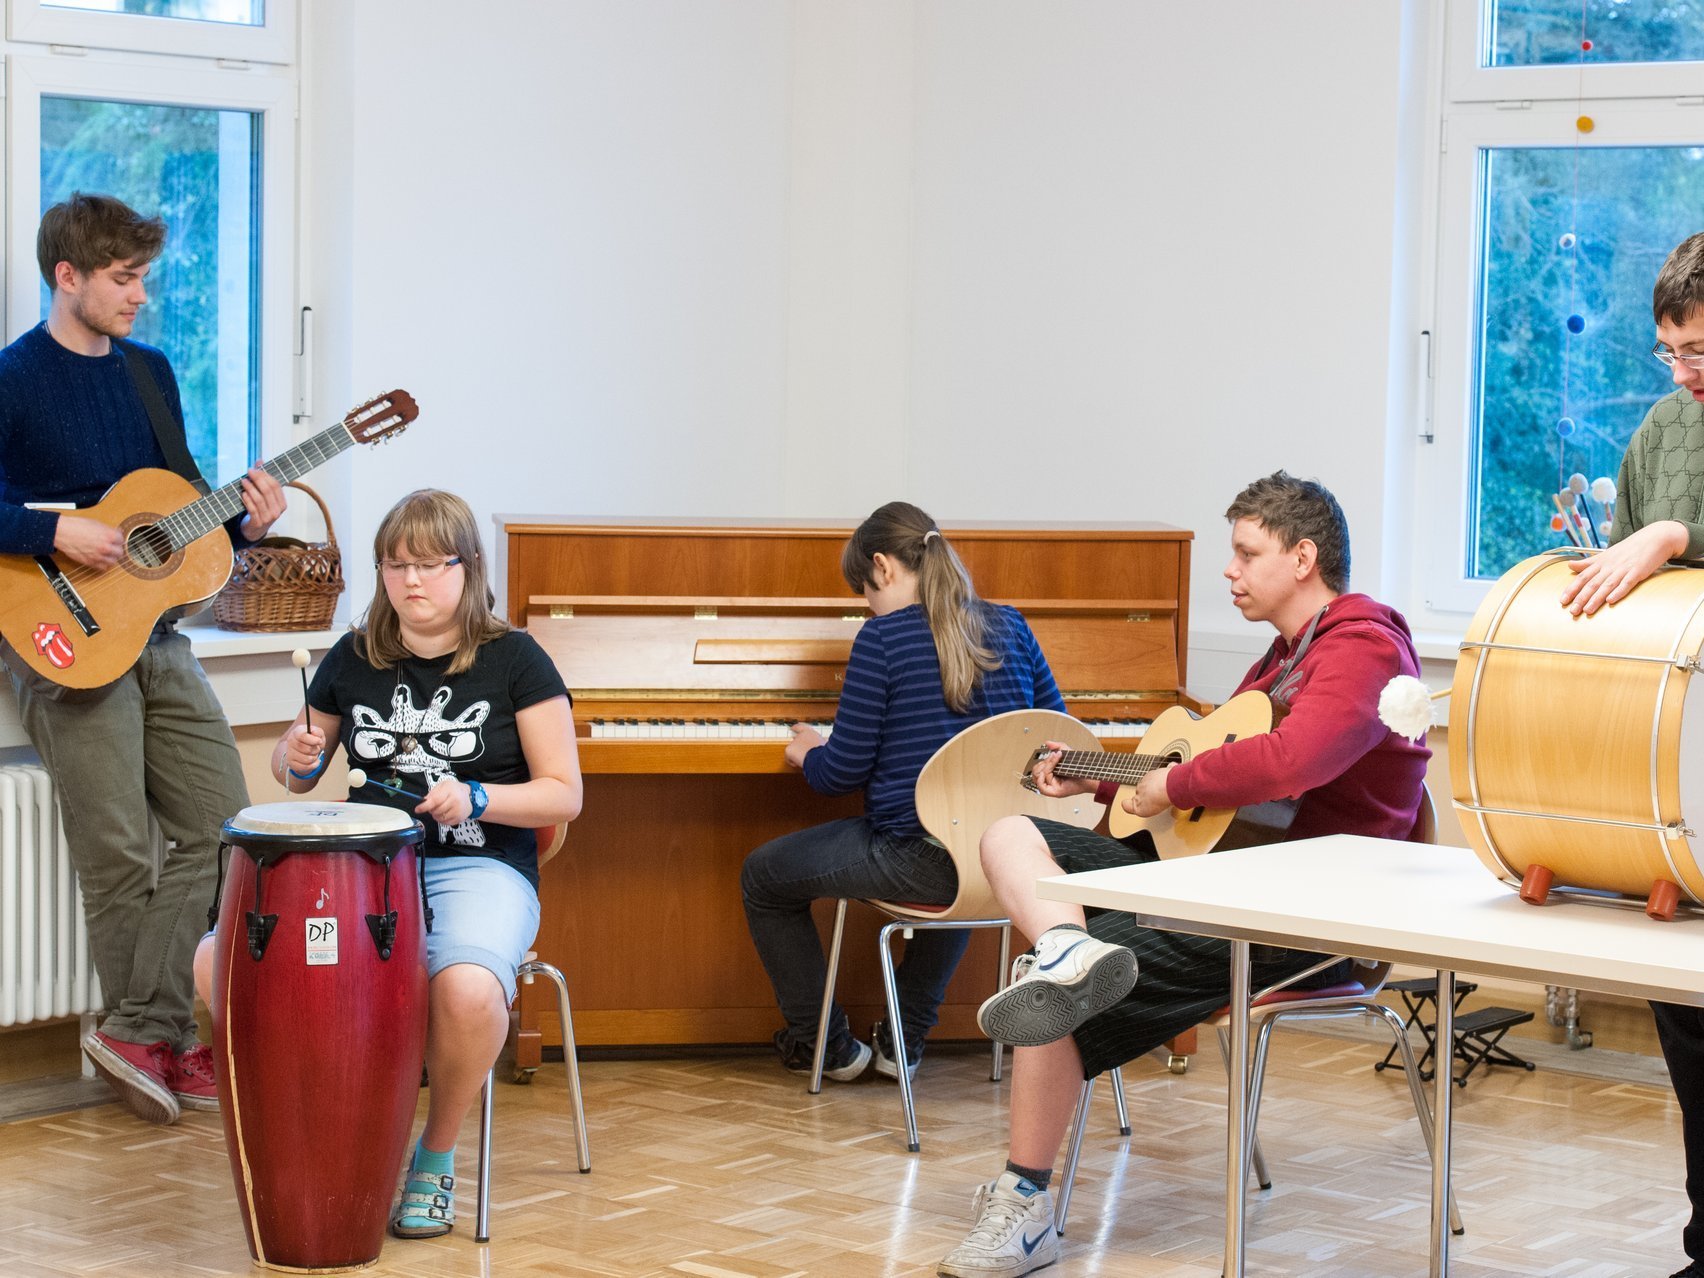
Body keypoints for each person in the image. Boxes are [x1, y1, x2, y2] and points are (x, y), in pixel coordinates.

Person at [938, 472, 1429, 1278]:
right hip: (1229, 881)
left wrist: (1166, 782)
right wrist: (1098, 778)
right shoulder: (1283, 658)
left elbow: (1288, 765)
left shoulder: (1366, 645)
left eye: (1246, 553)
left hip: (1300, 916)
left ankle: (1023, 1208)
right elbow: (1205, 772)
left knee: (1047, 989)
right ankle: (1071, 949)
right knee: (1014, 832)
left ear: (1303, 557)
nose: (1228, 572)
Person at [0, 193, 287, 1126]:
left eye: (144, 279)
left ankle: (139, 1030)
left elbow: (178, 505)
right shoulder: (10, 381)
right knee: (118, 850)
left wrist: (243, 519)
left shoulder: (150, 373)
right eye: (124, 280)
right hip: (63, 634)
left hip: (159, 635)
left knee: (226, 825)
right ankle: (159, 1037)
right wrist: (57, 536)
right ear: (67, 276)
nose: (140, 297)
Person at [259, 488, 582, 1240]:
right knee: (240, 964)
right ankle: (330, 1152)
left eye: (431, 565)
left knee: (468, 991)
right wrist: (294, 754)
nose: (411, 581)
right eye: (395, 565)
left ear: (467, 568)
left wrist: (476, 797)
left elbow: (564, 796)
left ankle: (433, 1159)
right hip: (363, 871)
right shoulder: (354, 655)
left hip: (479, 869)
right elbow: (297, 773)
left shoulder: (516, 660)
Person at [741, 501, 1067, 1083]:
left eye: (865, 589)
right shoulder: (1011, 624)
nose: (868, 604)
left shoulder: (882, 639)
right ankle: (904, 1039)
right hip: (1005, 860)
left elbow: (838, 775)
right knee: (972, 832)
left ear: (884, 567)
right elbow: (1058, 737)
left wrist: (809, 750)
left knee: (763, 877)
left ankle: (826, 1046)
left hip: (916, 859)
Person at [1559, 232, 1704, 1278]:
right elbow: (1635, 579)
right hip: (1679, 765)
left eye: (1700, 350)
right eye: (1670, 352)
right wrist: (1615, 557)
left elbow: (1666, 545)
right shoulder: (1661, 428)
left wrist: (1669, 537)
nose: (1685, 371)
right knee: (1687, 1020)